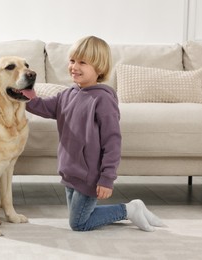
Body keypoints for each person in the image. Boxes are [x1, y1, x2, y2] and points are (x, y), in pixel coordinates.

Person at [26, 36, 164, 232]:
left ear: (99, 68)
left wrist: (107, 178)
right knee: (81, 216)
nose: (74, 66)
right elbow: (41, 107)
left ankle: (130, 210)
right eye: (72, 61)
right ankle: (131, 209)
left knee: (79, 223)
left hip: (89, 174)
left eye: (82, 62)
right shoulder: (67, 95)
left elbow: (112, 142)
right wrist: (21, 94)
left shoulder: (103, 100)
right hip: (69, 171)